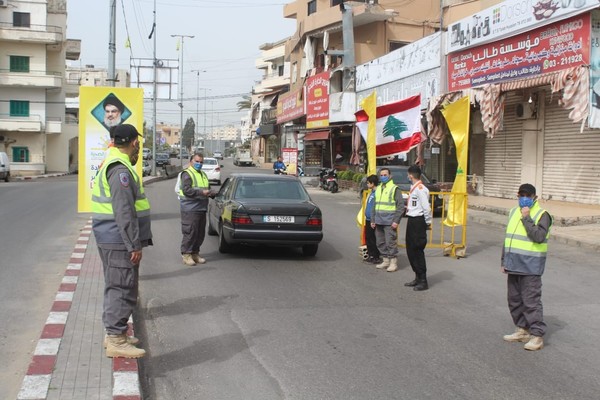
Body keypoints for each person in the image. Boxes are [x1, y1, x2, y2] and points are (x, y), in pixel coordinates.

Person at [91, 124, 152, 358]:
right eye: (137, 141)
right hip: (118, 238)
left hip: (112, 236)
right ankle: (116, 339)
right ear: (133, 142)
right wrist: (133, 244)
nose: (138, 145)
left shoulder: (113, 162)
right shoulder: (120, 170)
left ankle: (115, 334)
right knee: (122, 286)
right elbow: (124, 211)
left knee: (116, 284)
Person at [502, 183, 552, 351]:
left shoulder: (542, 214)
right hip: (514, 264)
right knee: (514, 300)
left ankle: (537, 336)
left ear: (534, 198)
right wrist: (504, 261)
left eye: (527, 196)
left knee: (531, 302)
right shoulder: (512, 212)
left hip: (531, 266)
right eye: (521, 195)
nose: (523, 198)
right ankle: (522, 330)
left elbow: (538, 236)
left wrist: (526, 217)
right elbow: (508, 239)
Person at [177, 153, 213, 266]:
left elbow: (207, 189)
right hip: (190, 208)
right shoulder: (187, 174)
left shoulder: (203, 174)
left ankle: (195, 253)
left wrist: (212, 193)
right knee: (190, 232)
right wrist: (202, 192)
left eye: (201, 162)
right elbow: (187, 190)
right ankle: (186, 255)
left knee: (199, 233)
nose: (199, 164)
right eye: (197, 161)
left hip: (201, 208)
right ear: (191, 161)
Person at [403, 165, 432, 291]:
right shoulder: (413, 188)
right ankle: (417, 276)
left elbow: (426, 208)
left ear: (410, 175)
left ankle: (423, 280)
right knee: (410, 249)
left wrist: (428, 223)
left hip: (418, 221)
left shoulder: (420, 189)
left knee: (417, 250)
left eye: (408, 174)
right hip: (412, 220)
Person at [370, 167, 404, 272]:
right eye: (381, 175)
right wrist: (372, 219)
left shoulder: (395, 188)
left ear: (390, 176)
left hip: (389, 221)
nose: (383, 177)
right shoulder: (379, 188)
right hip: (378, 220)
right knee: (380, 242)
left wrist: (396, 221)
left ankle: (393, 262)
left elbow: (400, 206)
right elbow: (374, 205)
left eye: (385, 175)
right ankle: (385, 261)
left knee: (390, 242)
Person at [363, 174, 381, 264]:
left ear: (373, 183)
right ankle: (371, 255)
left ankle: (375, 256)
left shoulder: (377, 193)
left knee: (373, 238)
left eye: (368, 183)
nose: (367, 185)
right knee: (368, 237)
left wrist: (374, 219)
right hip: (368, 218)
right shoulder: (372, 193)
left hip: (373, 219)